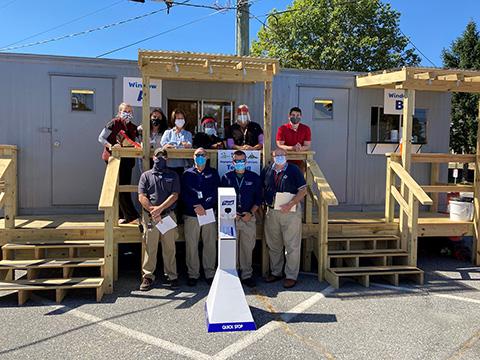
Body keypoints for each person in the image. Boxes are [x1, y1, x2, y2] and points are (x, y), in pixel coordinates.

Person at [261, 148, 307, 288]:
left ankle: (291, 276)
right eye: (276, 155)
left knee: (292, 245)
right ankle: (276, 272)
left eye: (282, 155)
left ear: (286, 156)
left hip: (290, 212)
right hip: (272, 211)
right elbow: (262, 188)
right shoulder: (267, 170)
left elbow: (303, 190)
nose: (279, 157)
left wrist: (291, 203)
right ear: (272, 156)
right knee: (274, 244)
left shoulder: (294, 170)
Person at [138, 148, 180, 291]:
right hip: (151, 217)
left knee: (170, 246)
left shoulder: (173, 175)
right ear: (153, 157)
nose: (160, 158)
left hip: (167, 215)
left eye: (163, 156)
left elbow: (174, 195)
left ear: (167, 159)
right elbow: (141, 196)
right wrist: (152, 210)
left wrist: (160, 209)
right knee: (150, 246)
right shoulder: (146, 176)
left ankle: (172, 275)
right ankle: (148, 276)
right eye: (158, 156)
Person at [220, 150, 261, 287]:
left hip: (248, 217)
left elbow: (258, 199)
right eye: (237, 161)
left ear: (246, 161)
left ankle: (247, 274)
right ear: (232, 162)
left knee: (247, 247)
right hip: (231, 218)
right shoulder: (226, 177)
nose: (240, 163)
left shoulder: (254, 177)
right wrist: (232, 213)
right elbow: (222, 198)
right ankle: (234, 273)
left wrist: (250, 212)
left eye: (242, 160)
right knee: (232, 247)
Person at [181, 148, 220, 286]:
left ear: (207, 157)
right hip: (192, 214)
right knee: (191, 245)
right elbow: (184, 193)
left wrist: (205, 206)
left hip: (208, 212)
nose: (200, 157)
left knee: (209, 244)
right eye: (197, 155)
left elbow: (216, 192)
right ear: (193, 157)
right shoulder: (186, 174)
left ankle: (209, 273)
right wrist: (196, 206)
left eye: (202, 155)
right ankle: (193, 274)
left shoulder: (213, 173)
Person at [98, 102, 139, 224]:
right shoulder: (113, 123)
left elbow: (136, 142)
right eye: (125, 111)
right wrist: (111, 146)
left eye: (130, 111)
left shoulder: (133, 127)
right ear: (119, 112)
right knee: (118, 187)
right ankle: (131, 216)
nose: (128, 113)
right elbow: (101, 138)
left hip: (128, 160)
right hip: (113, 159)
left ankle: (122, 216)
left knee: (124, 187)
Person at [160, 109, 193, 174]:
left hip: (183, 167)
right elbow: (164, 145)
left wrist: (173, 144)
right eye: (178, 118)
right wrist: (181, 143)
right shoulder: (167, 132)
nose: (180, 120)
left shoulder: (188, 134)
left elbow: (189, 145)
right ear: (174, 120)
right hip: (169, 166)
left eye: (182, 118)